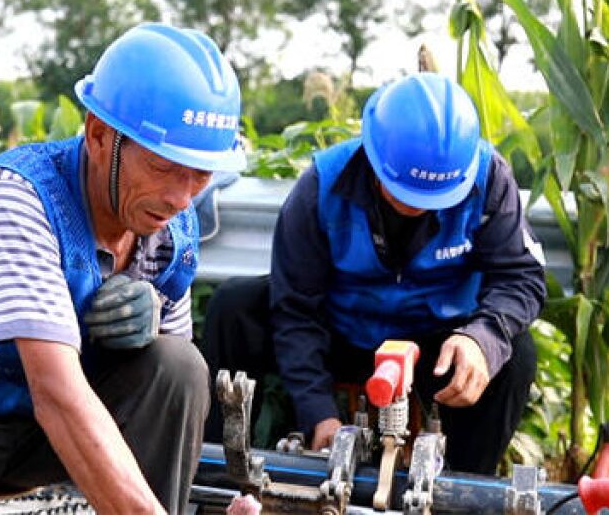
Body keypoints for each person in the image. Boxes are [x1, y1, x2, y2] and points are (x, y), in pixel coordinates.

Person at [0, 23, 246, 514]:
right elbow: (55, 393)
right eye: (163, 167)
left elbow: (168, 396)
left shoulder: (172, 227)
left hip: (43, 432)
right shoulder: (21, 197)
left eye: (200, 174)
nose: (182, 198)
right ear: (99, 136)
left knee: (178, 366)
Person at [201, 72, 545, 475]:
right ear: (373, 156)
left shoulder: (489, 179)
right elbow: (295, 310)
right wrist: (318, 414)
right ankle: (216, 474)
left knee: (515, 354)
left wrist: (483, 338)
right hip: (344, 335)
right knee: (234, 306)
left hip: (436, 345)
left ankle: (464, 488)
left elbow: (521, 277)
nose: (421, 207)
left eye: (437, 197)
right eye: (406, 194)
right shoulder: (321, 187)